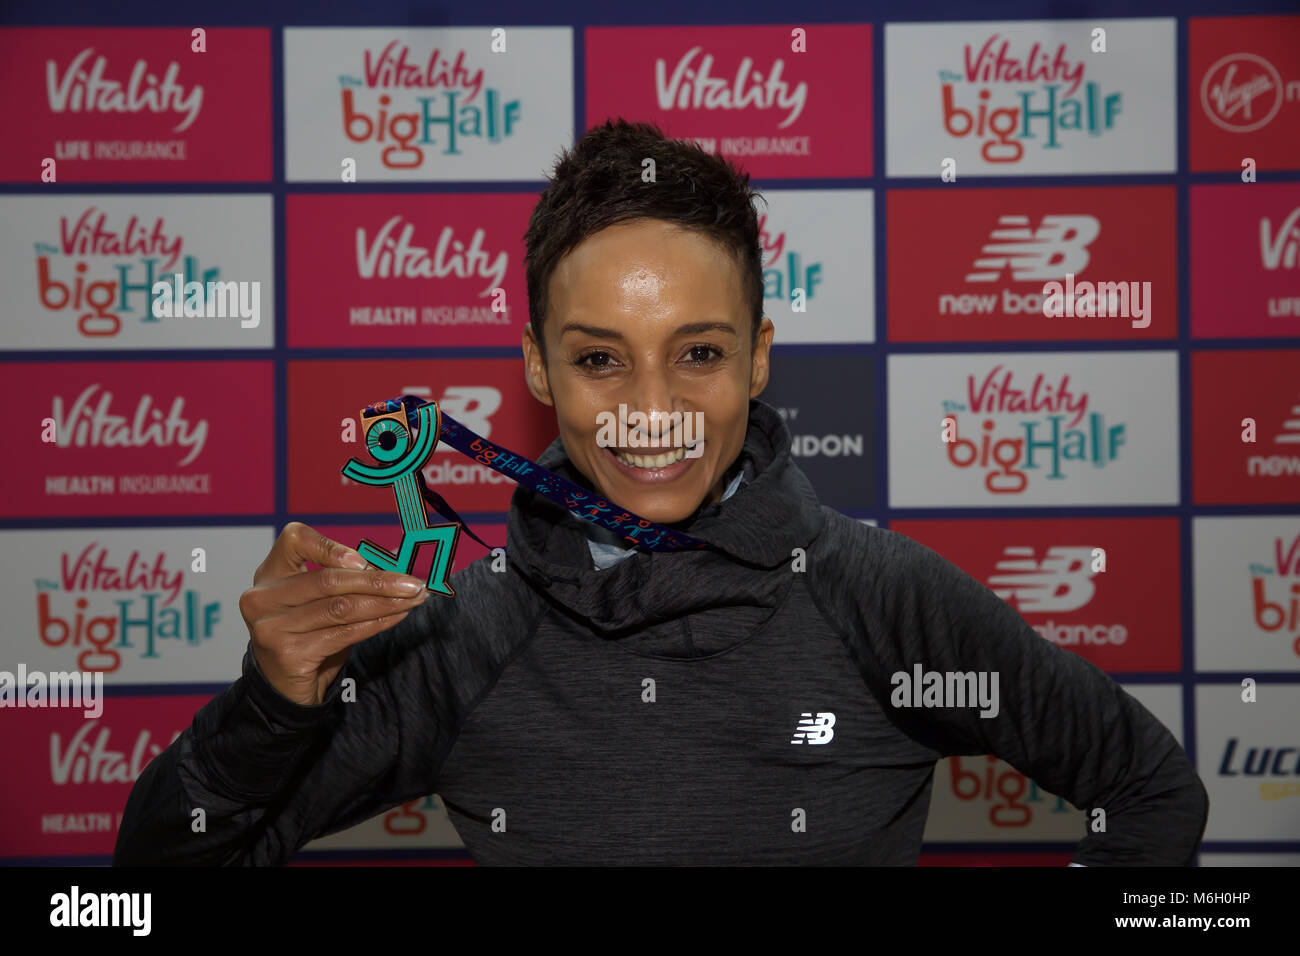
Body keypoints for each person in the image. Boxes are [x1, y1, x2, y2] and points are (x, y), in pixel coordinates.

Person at [113, 118, 1208, 866]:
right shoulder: (462, 638)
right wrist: (270, 701)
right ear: (537, 368)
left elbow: (1150, 785)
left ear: (760, 356)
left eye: (696, 353)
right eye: (599, 359)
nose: (652, 409)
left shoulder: (880, 596)